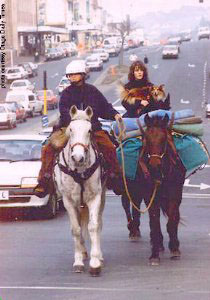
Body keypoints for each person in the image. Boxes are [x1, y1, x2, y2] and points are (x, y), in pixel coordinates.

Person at [34, 59, 123, 198]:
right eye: (69, 75)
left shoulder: (93, 91)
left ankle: (115, 177)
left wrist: (115, 114)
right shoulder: (65, 93)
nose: (72, 77)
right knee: (48, 149)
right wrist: (78, 124)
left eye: (75, 74)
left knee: (110, 147)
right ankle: (44, 181)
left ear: (82, 74)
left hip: (92, 128)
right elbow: (63, 111)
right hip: (68, 129)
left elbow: (104, 107)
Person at [119, 60, 170, 239]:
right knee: (121, 147)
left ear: (144, 72)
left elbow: (157, 104)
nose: (139, 73)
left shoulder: (151, 87)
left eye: (141, 70)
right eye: (136, 70)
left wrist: (152, 104)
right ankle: (119, 176)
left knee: (163, 142)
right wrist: (139, 102)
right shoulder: (127, 88)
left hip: (149, 121)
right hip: (133, 122)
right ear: (133, 73)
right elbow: (126, 105)